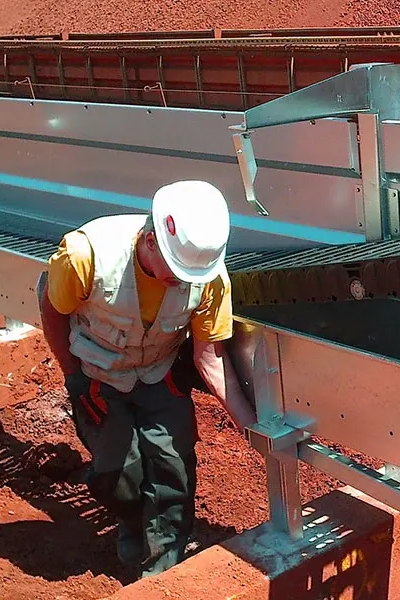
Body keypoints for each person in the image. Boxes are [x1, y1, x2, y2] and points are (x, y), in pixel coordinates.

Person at [36, 179, 257, 578]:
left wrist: (250, 424)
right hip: (99, 375)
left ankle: (163, 572)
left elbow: (209, 357)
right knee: (117, 476)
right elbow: (52, 310)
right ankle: (132, 521)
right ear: (151, 239)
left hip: (159, 373)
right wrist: (74, 379)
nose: (182, 280)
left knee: (173, 466)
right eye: (175, 270)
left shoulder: (209, 279)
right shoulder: (87, 256)